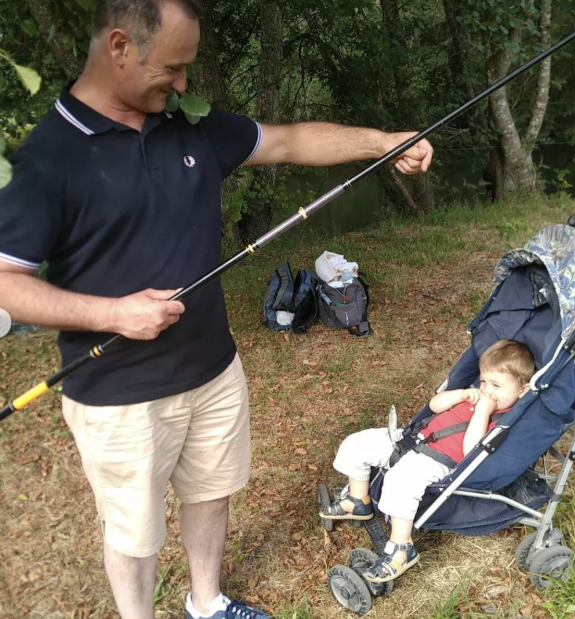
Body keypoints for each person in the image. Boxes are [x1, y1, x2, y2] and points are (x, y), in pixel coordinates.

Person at [0, 1, 434, 618]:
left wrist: (385, 144)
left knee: (210, 494)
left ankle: (207, 603)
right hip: (117, 394)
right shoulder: (47, 156)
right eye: (172, 68)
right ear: (120, 47)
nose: (182, 83)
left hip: (211, 369)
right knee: (134, 533)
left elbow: (286, 142)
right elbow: (6, 281)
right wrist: (112, 314)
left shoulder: (188, 123)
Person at [320, 339, 534, 583]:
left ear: (522, 391)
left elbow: (471, 451)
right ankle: (359, 500)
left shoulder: (501, 422)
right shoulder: (474, 396)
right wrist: (461, 394)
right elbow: (434, 405)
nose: (487, 390)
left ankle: (402, 547)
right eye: (484, 381)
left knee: (400, 480)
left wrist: (483, 412)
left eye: (496, 385)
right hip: (413, 438)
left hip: (438, 461)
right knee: (357, 443)